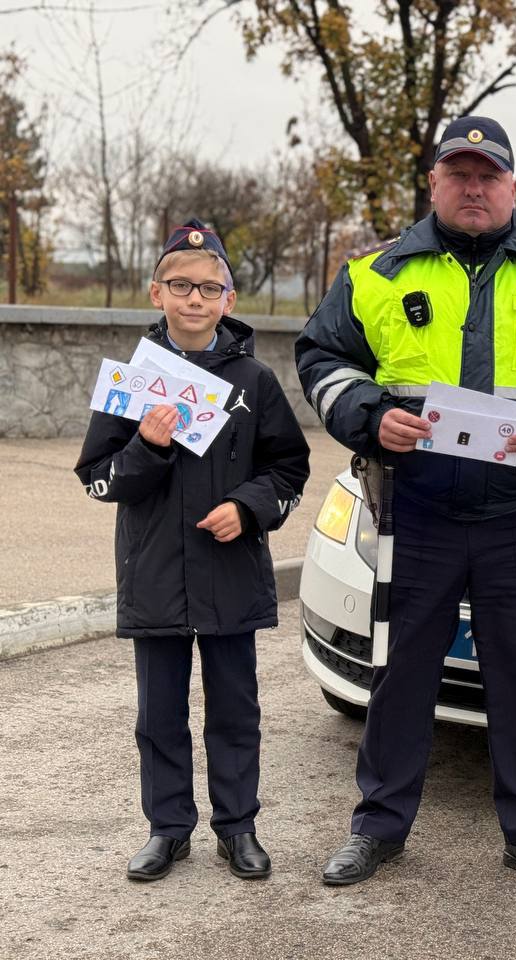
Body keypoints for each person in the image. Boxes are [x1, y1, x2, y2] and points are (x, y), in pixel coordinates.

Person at [296, 116, 516, 896]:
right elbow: (322, 356)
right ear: (435, 183)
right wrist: (367, 416)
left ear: (513, 186)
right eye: (459, 174)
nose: (475, 187)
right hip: (415, 510)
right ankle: (377, 828)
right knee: (400, 676)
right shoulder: (376, 273)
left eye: (489, 176)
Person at [74, 220, 311, 882]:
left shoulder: (255, 382)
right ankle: (167, 829)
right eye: (180, 285)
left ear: (229, 300)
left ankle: (238, 828)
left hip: (230, 573)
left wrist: (248, 508)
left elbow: (289, 468)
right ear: (157, 292)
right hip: (155, 574)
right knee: (159, 715)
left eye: (210, 288)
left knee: (235, 711)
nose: (195, 299)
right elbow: (97, 478)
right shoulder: (130, 384)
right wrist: (146, 446)